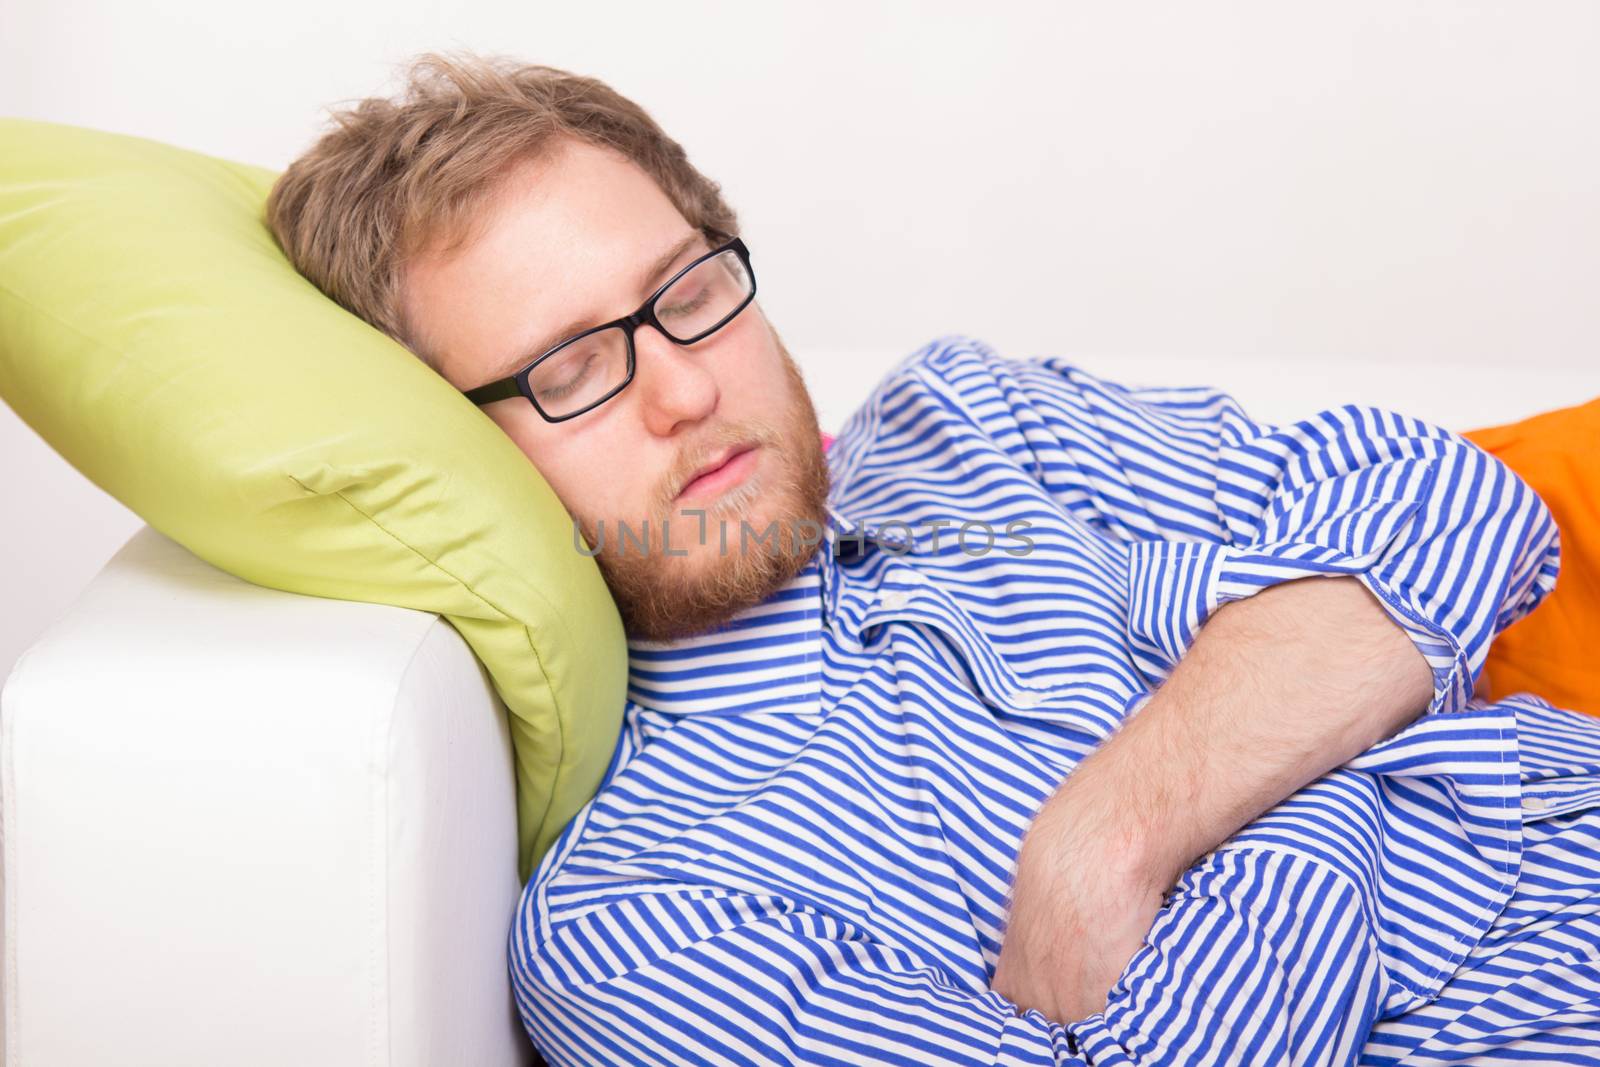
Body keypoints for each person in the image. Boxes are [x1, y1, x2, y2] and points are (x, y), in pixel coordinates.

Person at [266, 50, 1600, 1066]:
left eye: (686, 292)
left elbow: (1451, 501)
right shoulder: (641, 921)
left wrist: (1116, 832)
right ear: (457, 453)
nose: (680, 389)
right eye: (570, 369)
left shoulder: (973, 422)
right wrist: (1308, 717)